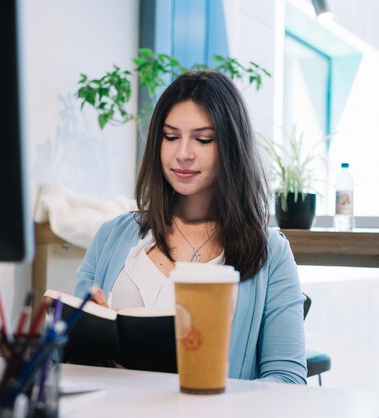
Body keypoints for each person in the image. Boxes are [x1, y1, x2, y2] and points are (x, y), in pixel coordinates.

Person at [75, 69, 307, 384]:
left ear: (230, 147)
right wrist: (84, 338)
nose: (183, 154)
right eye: (171, 137)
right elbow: (67, 362)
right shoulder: (112, 237)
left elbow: (287, 379)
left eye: (203, 139)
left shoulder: (271, 253)